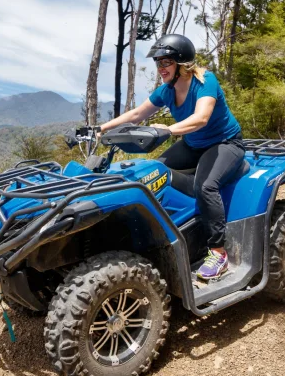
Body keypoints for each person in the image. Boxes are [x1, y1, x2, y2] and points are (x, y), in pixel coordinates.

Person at [99, 34, 243, 280]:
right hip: (193, 144)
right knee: (152, 171)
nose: (160, 68)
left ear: (182, 63)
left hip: (225, 143)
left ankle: (218, 253)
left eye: (166, 62)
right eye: (158, 63)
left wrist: (165, 130)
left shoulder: (205, 80)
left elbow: (201, 118)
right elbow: (136, 114)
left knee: (206, 186)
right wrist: (99, 129)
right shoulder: (166, 91)